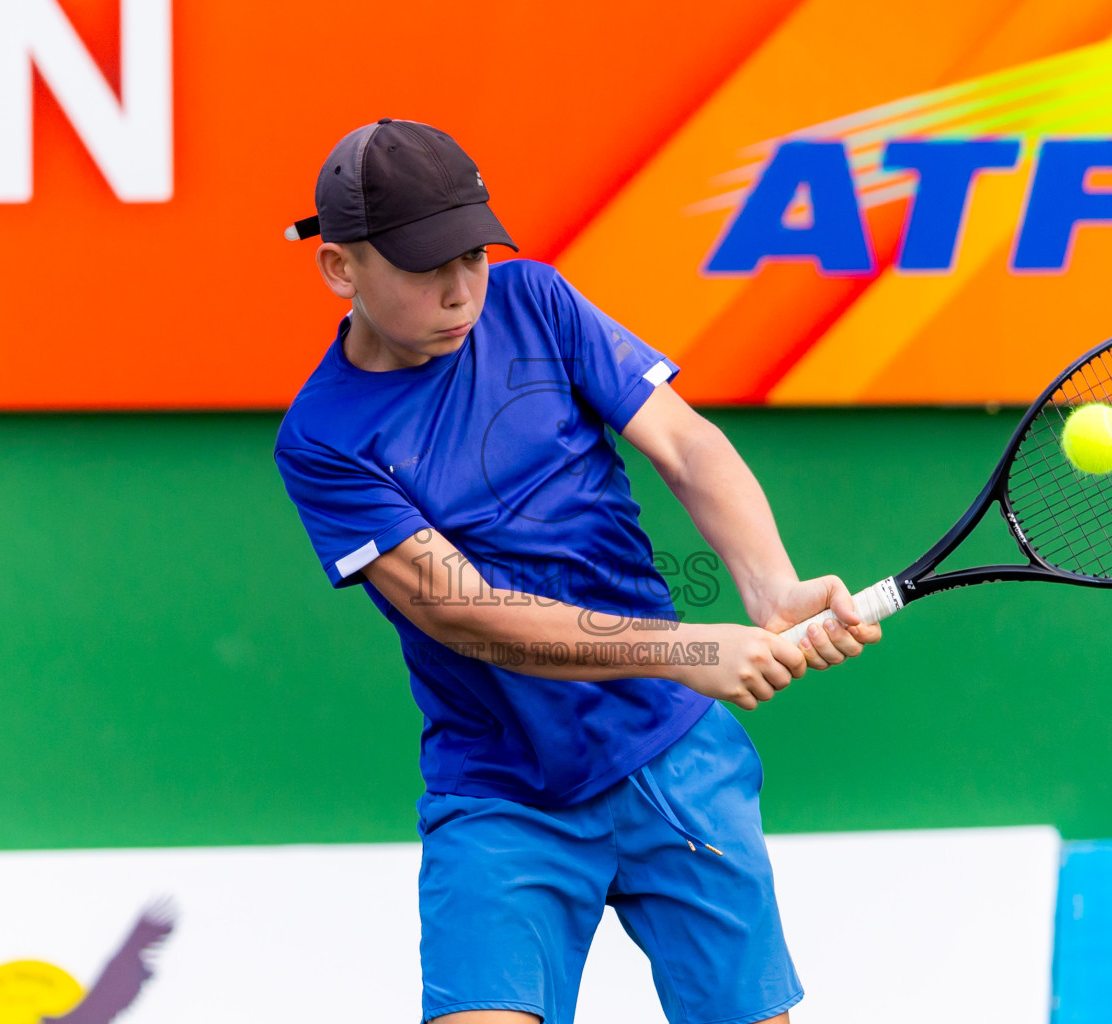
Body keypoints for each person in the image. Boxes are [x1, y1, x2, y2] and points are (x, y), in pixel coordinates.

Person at [275, 118, 882, 1024]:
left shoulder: (537, 303)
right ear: (340, 268)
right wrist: (682, 648)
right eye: (422, 267)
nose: (459, 291)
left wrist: (771, 586)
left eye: (473, 256)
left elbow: (682, 441)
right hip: (503, 796)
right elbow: (467, 612)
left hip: (677, 761)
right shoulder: (324, 439)